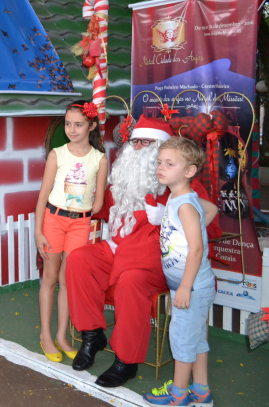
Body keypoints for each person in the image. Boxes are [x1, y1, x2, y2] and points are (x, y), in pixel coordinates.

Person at [66, 116, 219, 388]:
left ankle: (126, 360)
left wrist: (167, 222)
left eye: (146, 142)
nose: (138, 147)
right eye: (135, 140)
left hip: (152, 262)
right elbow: (101, 208)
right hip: (116, 250)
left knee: (131, 280)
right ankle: (92, 335)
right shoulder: (123, 176)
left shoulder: (181, 184)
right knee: (79, 260)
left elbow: (210, 222)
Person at [142, 138, 216, 406]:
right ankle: (202, 391)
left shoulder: (184, 205)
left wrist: (184, 287)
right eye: (160, 162)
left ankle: (179, 395)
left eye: (169, 164)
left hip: (191, 287)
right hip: (193, 285)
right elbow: (212, 209)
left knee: (182, 340)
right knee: (196, 340)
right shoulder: (181, 198)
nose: (161, 168)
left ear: (189, 171)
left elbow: (196, 250)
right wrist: (194, 227)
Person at [34, 101, 108, 362]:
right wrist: (38, 231)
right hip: (53, 221)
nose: (72, 129)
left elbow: (98, 200)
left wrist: (86, 207)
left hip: (80, 224)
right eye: (68, 124)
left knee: (68, 281)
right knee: (51, 278)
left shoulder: (99, 159)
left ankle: (62, 336)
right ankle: (46, 335)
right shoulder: (58, 154)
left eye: (78, 124)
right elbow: (43, 194)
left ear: (92, 126)